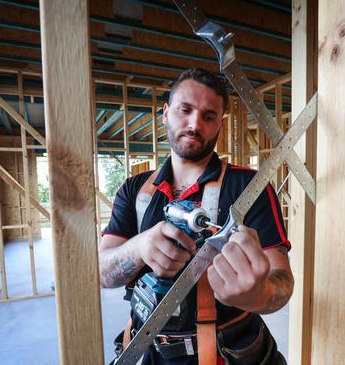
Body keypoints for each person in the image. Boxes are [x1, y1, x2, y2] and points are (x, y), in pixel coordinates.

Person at [99, 68, 293, 364]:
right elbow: (100, 272)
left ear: (219, 126)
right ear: (165, 113)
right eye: (185, 110)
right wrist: (139, 247)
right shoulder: (135, 188)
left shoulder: (249, 187)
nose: (194, 124)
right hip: (146, 348)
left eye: (209, 116)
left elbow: (283, 282)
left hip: (226, 351)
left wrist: (257, 293)